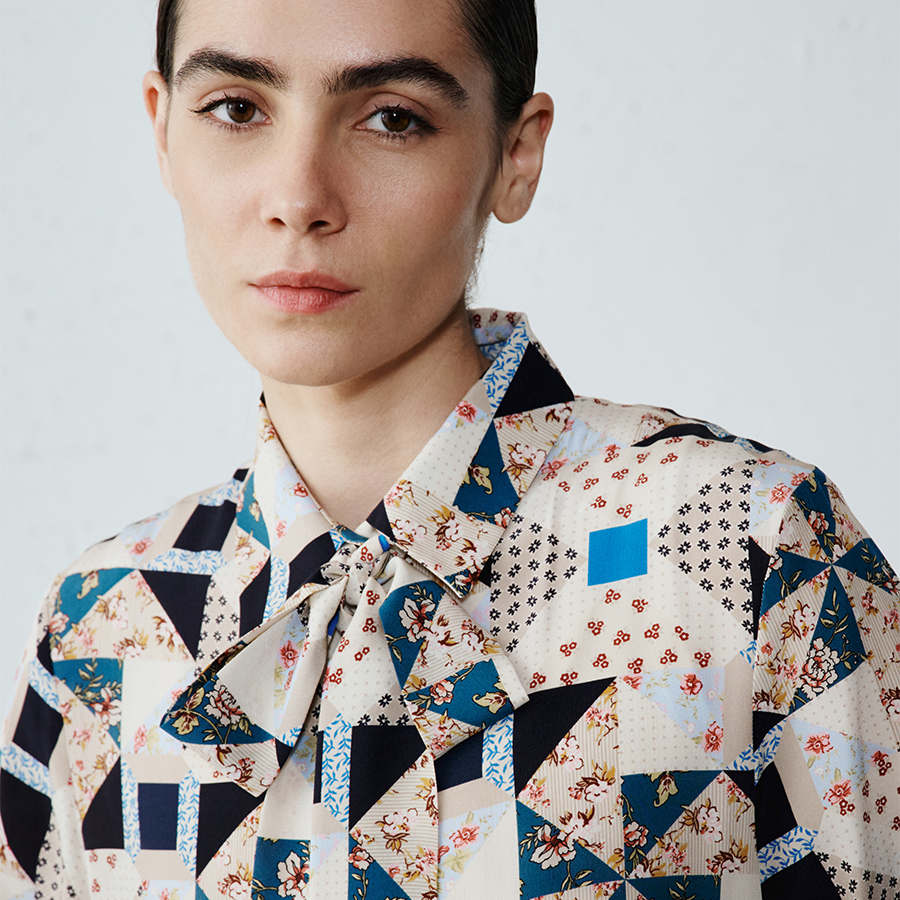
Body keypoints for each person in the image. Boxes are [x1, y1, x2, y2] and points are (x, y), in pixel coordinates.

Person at [1, 0, 897, 898]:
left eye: (393, 119)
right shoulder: (103, 626)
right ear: (162, 131)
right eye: (236, 109)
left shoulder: (753, 548)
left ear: (517, 155)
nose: (298, 199)